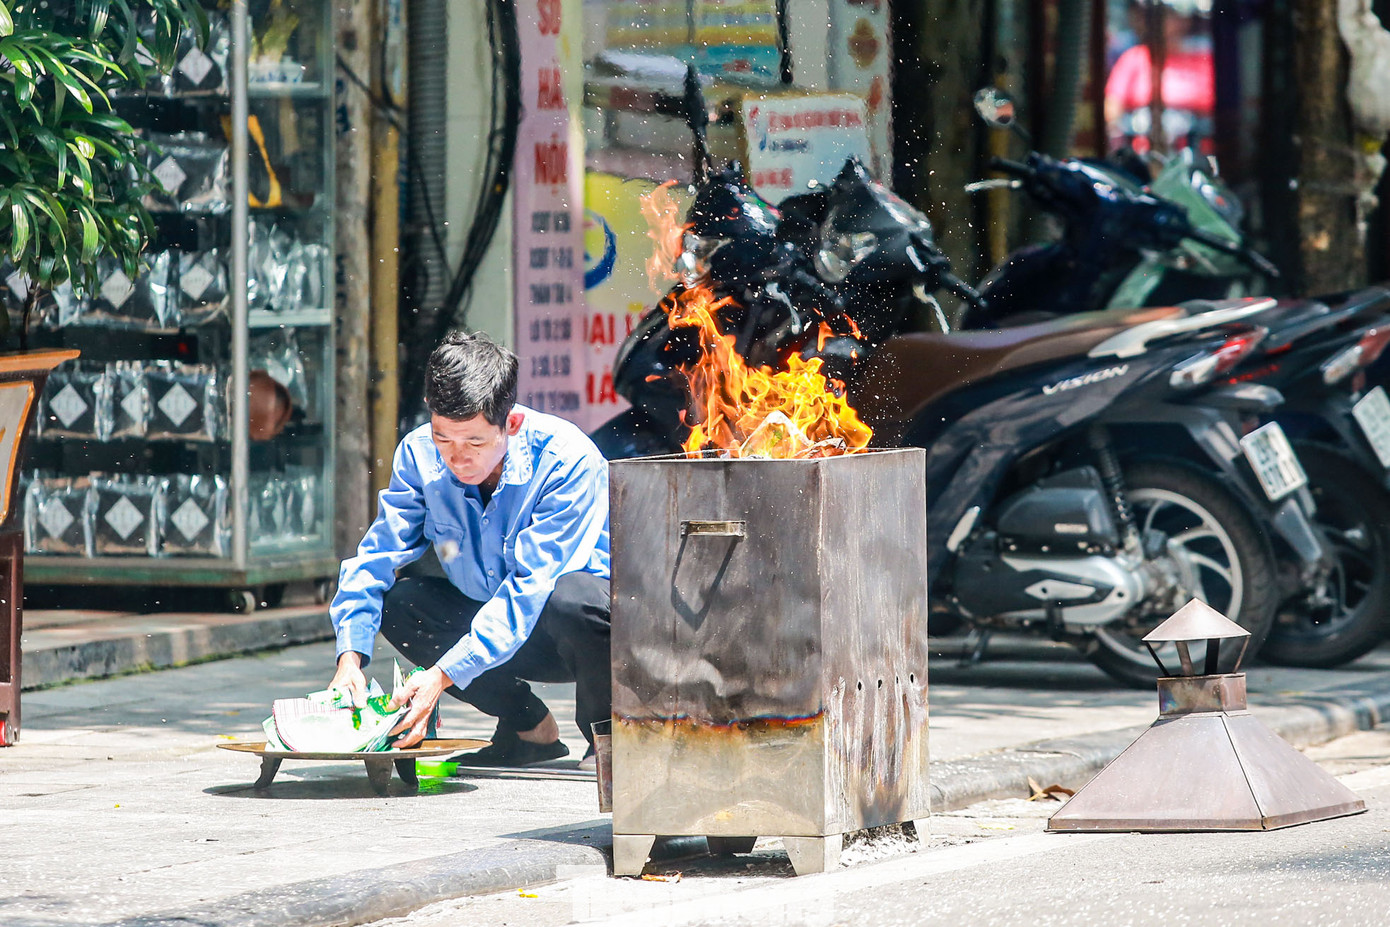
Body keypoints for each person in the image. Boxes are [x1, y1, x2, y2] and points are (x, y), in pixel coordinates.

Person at [326, 331, 611, 767]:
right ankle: (528, 727)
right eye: (444, 439)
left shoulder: (568, 459)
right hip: (490, 620)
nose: (457, 458)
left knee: (575, 599)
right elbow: (378, 555)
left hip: (572, 635)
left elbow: (530, 590)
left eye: (475, 443)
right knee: (400, 604)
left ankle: (607, 736)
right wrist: (350, 659)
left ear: (510, 425)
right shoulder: (418, 454)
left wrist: (440, 677)